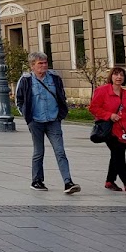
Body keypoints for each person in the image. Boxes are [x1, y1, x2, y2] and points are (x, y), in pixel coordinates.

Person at [15, 51, 80, 194]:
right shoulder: (25, 80)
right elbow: (19, 100)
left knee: (60, 151)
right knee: (39, 151)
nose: (44, 65)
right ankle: (37, 180)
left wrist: (61, 114)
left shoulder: (54, 77)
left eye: (45, 63)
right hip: (36, 121)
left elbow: (61, 95)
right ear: (32, 65)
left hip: (53, 120)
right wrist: (27, 118)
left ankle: (68, 182)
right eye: (40, 63)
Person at [89, 66, 126, 195]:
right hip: (109, 130)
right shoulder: (102, 91)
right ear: (111, 76)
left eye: (121, 75)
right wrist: (109, 115)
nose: (119, 77)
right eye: (116, 74)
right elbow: (94, 108)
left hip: (124, 131)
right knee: (119, 156)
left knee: (116, 156)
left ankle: (110, 181)